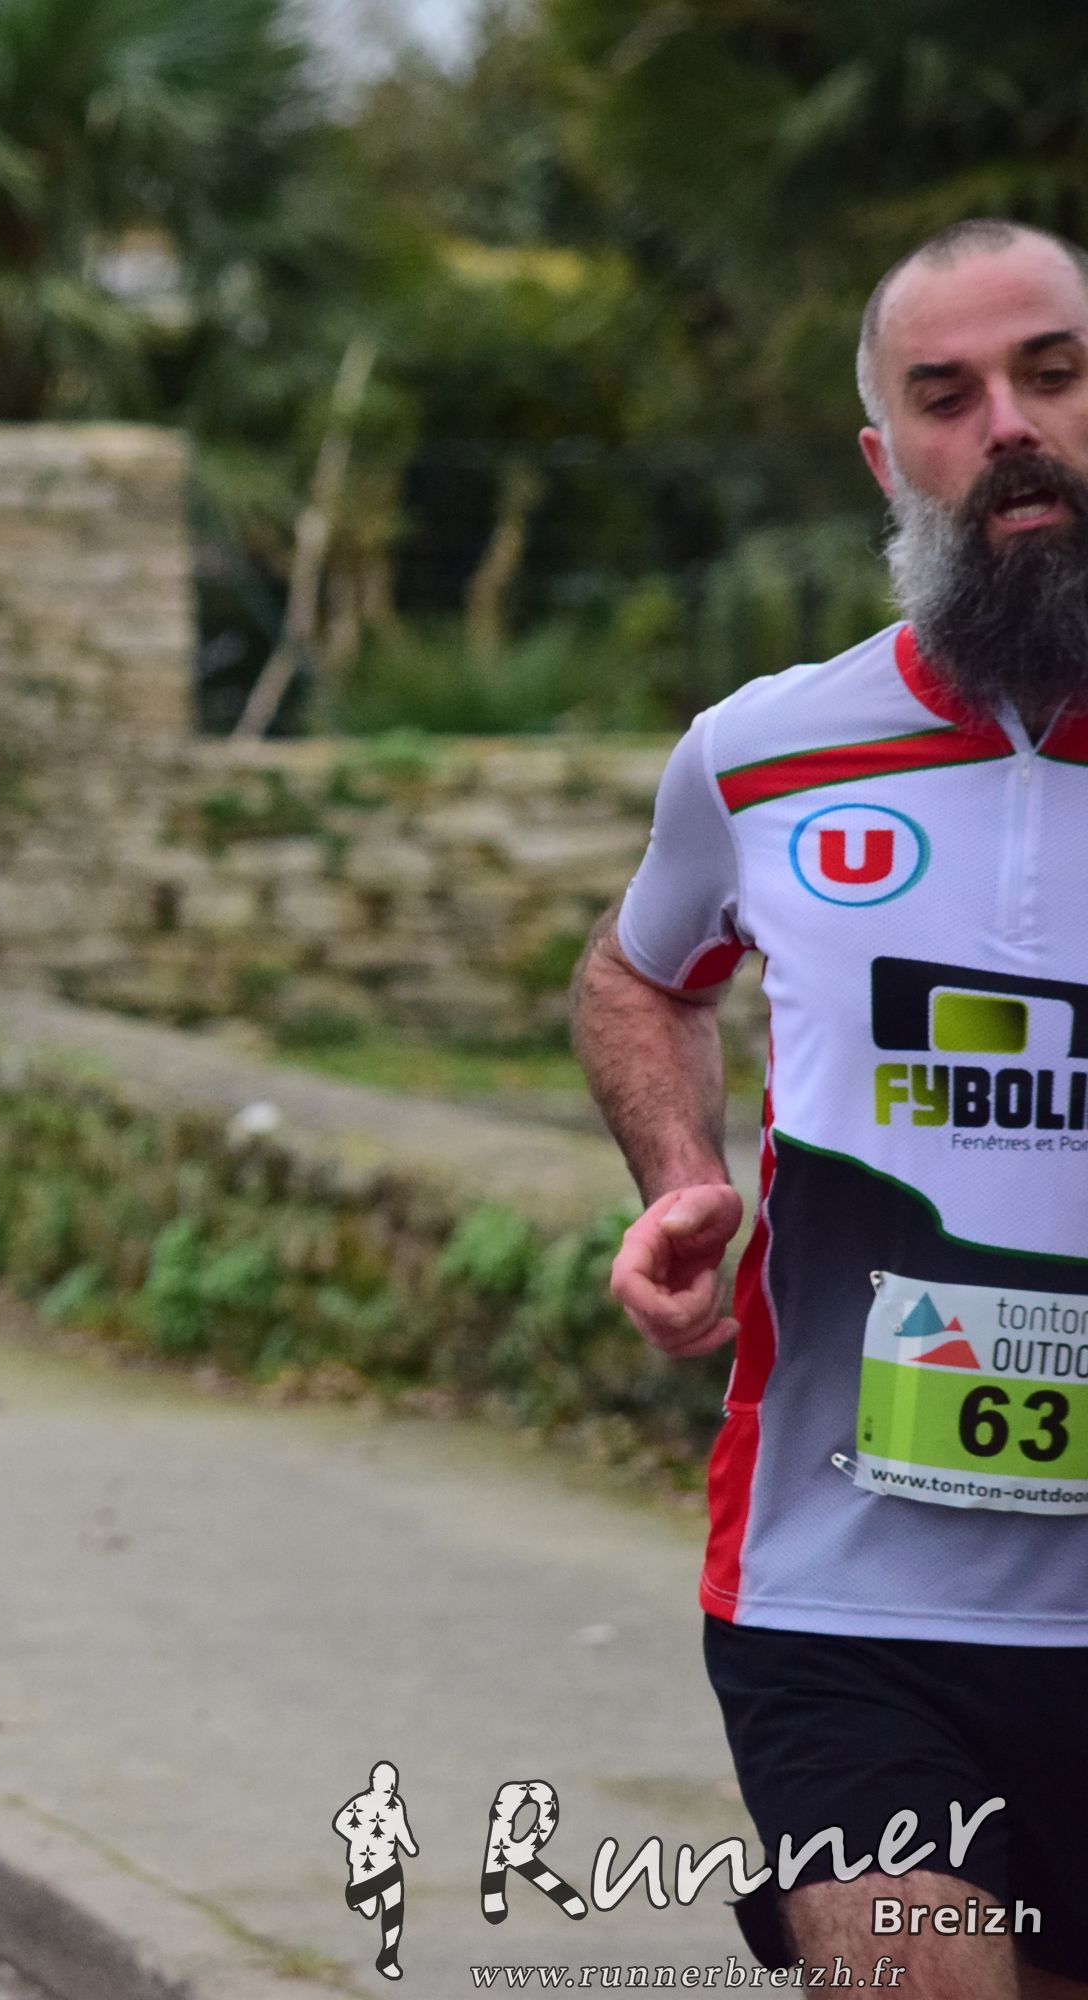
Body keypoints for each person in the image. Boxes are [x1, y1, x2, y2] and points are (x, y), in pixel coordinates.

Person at [575, 218, 1088, 1998]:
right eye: (945, 397)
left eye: (1052, 374)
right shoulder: (765, 753)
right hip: (843, 1600)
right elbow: (637, 973)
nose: (1006, 425)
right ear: (887, 460)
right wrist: (676, 1179)